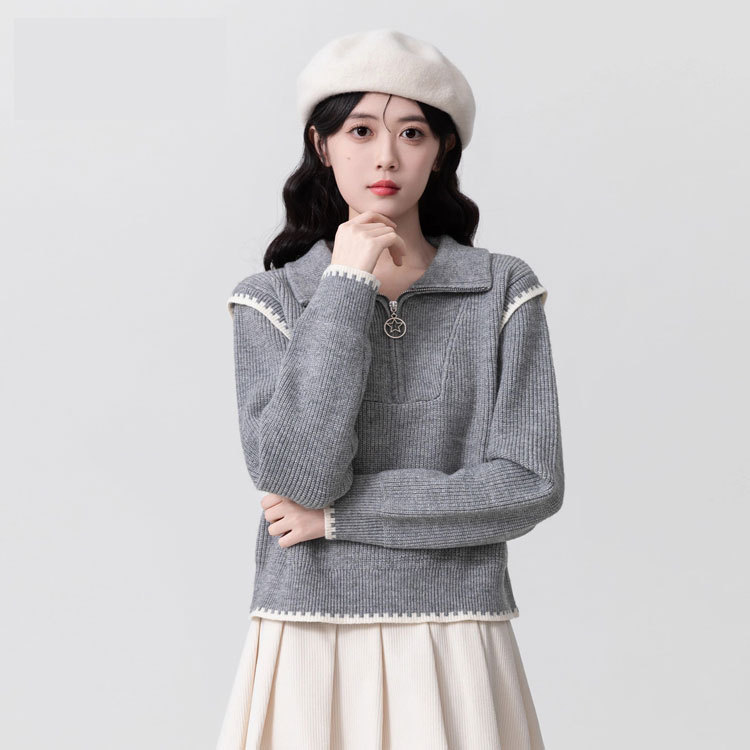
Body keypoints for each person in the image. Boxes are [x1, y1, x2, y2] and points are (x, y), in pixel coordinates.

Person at [216, 28, 564, 750]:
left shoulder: (501, 289)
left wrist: (338, 520)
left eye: (411, 132)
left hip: (458, 633)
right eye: (360, 130)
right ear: (321, 145)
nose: (385, 157)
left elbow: (528, 484)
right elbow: (296, 476)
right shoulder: (271, 300)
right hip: (309, 632)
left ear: (441, 150)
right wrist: (345, 283)